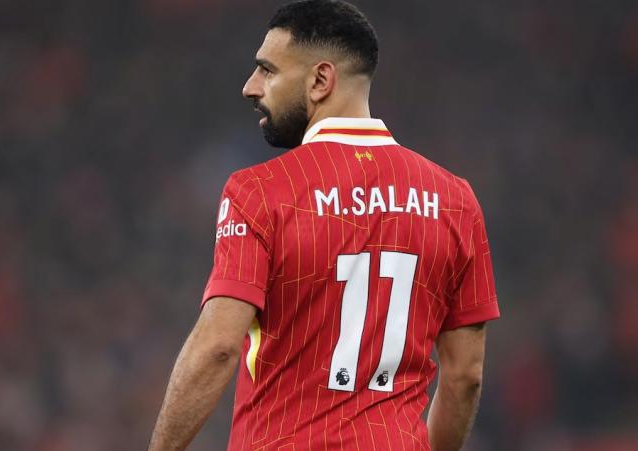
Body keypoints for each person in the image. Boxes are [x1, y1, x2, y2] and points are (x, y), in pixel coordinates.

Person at [148, 1, 500, 450]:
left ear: (320, 81)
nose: (250, 87)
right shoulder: (455, 201)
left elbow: (218, 347)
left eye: (267, 70)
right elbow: (466, 376)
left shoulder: (258, 192)